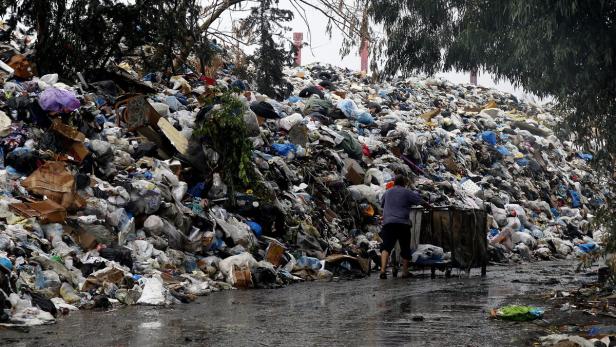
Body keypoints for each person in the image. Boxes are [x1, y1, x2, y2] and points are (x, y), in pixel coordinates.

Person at [379, 174, 431, 279]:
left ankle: (383, 270)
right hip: (402, 223)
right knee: (405, 247)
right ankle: (405, 272)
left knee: (386, 247)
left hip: (388, 223)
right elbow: (421, 201)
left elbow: (382, 204)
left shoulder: (387, 192)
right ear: (404, 183)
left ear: (394, 183)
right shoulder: (407, 192)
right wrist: (429, 207)